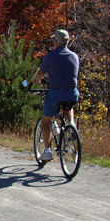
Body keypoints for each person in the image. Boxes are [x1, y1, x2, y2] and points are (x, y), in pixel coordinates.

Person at [31, 29, 79, 161]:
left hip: (56, 92)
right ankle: (72, 125)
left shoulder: (51, 56)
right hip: (72, 92)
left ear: (56, 41)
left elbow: (40, 73)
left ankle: (47, 151)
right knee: (68, 106)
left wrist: (35, 80)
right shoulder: (74, 56)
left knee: (45, 121)